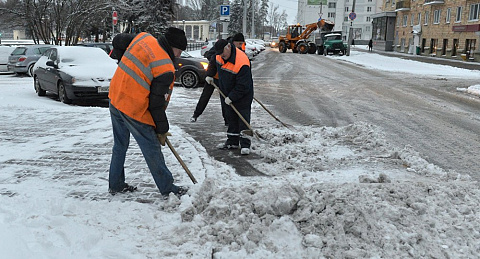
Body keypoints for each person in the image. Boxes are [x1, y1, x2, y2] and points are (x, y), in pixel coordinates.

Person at [108, 27, 188, 198]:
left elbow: (120, 42)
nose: (179, 55)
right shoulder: (165, 67)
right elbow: (156, 104)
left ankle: (116, 184)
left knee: (120, 145)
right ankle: (168, 189)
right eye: (179, 51)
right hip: (133, 107)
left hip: (115, 97)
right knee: (151, 148)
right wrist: (161, 129)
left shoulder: (144, 38)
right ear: (172, 46)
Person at [190, 33, 247, 125]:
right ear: (233, 42)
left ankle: (227, 121)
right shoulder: (222, 46)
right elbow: (211, 56)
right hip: (213, 76)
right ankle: (196, 114)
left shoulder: (237, 51)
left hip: (224, 79)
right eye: (239, 43)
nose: (241, 46)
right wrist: (210, 74)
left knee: (225, 99)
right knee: (205, 96)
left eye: (242, 44)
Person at [212, 39, 254, 155]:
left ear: (228, 47)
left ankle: (245, 145)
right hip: (227, 93)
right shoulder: (219, 56)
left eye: (223, 53)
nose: (221, 56)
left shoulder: (242, 61)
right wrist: (210, 75)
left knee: (243, 120)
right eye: (219, 54)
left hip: (243, 95)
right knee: (231, 119)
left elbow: (243, 85)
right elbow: (213, 65)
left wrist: (232, 97)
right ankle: (232, 142)